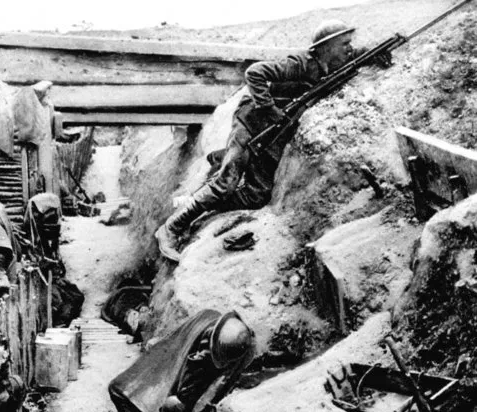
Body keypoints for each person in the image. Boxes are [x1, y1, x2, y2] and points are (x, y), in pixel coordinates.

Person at [155, 20, 391, 263]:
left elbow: (357, 57)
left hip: (270, 136)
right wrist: (268, 108)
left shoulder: (331, 65)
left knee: (258, 196)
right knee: (226, 183)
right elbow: (254, 73)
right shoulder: (299, 64)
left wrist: (376, 54)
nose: (349, 48)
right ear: (326, 47)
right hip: (250, 125)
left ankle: (202, 206)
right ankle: (171, 228)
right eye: (344, 44)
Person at [108, 309, 255, 412]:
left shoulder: (231, 336)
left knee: (172, 408)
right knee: (119, 389)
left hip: (183, 370)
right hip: (171, 360)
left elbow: (181, 401)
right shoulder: (212, 336)